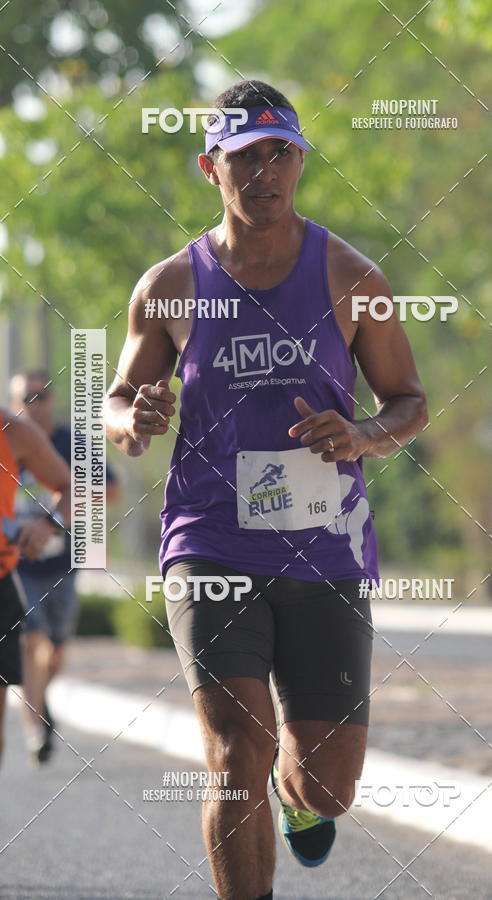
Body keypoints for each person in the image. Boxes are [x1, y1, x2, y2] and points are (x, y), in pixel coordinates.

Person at [105, 80, 428, 900]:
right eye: (244, 156)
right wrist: (133, 419)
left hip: (325, 546)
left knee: (328, 788)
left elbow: (409, 402)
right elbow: (115, 402)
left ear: (300, 162)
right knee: (233, 748)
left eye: (280, 152)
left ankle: (298, 796)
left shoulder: (352, 277)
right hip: (210, 540)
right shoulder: (171, 283)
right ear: (210, 166)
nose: (264, 171)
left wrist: (361, 435)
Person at [9, 370, 118, 763]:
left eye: (42, 395)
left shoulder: (72, 443)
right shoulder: (10, 438)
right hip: (17, 565)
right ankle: (35, 728)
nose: (35, 403)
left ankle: (39, 700)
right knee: (30, 637)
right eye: (27, 396)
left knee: (56, 649)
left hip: (63, 559)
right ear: (15, 398)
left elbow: (112, 488)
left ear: (52, 399)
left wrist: (58, 517)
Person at [0, 406, 71, 766]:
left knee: (51, 644)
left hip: (6, 583)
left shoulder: (14, 432)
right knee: (34, 641)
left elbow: (75, 489)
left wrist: (49, 524)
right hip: (19, 576)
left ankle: (37, 713)